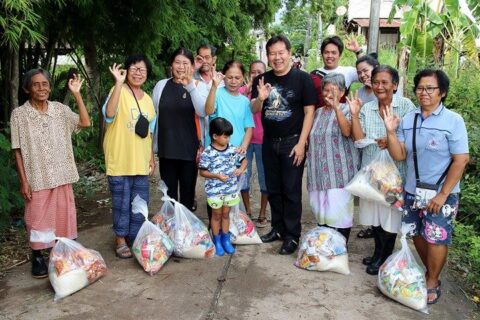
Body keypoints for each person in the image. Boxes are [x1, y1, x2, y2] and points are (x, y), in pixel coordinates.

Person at [383, 69, 469, 304]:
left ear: (442, 92)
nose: (424, 93)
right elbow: (399, 155)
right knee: (416, 234)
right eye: (420, 88)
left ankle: (432, 279)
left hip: (443, 193)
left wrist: (443, 195)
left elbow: (461, 159)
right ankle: (430, 272)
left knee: (436, 237)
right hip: (413, 189)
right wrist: (390, 132)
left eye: (430, 88)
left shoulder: (453, 121)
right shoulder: (409, 119)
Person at [11, 68, 90, 277]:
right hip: (37, 176)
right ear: (27, 89)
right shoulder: (19, 114)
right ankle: (38, 256)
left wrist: (77, 94)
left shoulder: (60, 110)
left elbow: (84, 122)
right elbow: (17, 150)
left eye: (44, 84)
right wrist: (23, 180)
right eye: (35, 84)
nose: (41, 88)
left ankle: (64, 252)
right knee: (37, 218)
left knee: (64, 215)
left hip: (62, 174)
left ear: (50, 87)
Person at [251, 35, 317, 255]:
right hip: (268, 143)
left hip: (292, 143)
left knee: (291, 191)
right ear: (267, 56)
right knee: (273, 189)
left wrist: (302, 143)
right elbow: (254, 109)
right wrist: (260, 98)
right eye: (272, 53)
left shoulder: (303, 79)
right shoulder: (261, 79)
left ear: (289, 53)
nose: (277, 57)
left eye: (281, 52)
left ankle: (292, 235)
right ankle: (277, 229)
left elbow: (309, 112)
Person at [350, 65, 416, 275]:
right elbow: (359, 139)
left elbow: (409, 140)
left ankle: (385, 257)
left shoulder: (406, 107)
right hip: (371, 174)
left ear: (395, 85)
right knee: (376, 217)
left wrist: (390, 140)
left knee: (390, 217)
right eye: (376, 82)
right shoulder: (368, 107)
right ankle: (379, 253)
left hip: (394, 175)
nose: (379, 87)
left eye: (384, 82)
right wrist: (354, 114)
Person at [103, 54, 156, 259]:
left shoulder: (149, 101)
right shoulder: (118, 91)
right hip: (119, 159)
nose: (138, 72)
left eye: (142, 69)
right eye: (133, 68)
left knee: (140, 202)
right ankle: (120, 239)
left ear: (147, 74)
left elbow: (150, 133)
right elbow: (109, 113)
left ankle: (135, 236)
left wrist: (151, 158)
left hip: (140, 160)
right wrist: (118, 83)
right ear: (126, 70)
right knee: (121, 202)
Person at [152, 48, 207, 211]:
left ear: (192, 66)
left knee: (188, 194)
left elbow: (203, 111)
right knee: (168, 196)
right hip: (166, 149)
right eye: (177, 62)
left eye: (185, 63)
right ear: (171, 64)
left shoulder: (199, 86)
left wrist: (190, 86)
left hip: (189, 150)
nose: (181, 67)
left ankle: (186, 231)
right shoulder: (161, 86)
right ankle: (171, 229)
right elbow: (154, 116)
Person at [307, 73, 359, 243]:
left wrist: (337, 108)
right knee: (321, 213)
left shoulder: (347, 109)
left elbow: (347, 132)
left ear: (342, 92)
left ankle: (339, 249)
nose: (328, 94)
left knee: (340, 214)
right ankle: (325, 248)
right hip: (318, 174)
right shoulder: (318, 112)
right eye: (325, 90)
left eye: (333, 91)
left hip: (339, 174)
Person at [199, 117, 247, 256]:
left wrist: (240, 169)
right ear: (214, 136)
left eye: (229, 136)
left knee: (226, 214)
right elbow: (202, 172)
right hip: (214, 191)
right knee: (216, 215)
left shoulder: (232, 149)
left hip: (230, 189)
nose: (228, 139)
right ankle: (217, 240)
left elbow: (244, 161)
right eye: (225, 136)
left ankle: (226, 239)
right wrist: (217, 176)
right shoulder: (208, 152)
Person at [239, 60, 269, 228]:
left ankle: (263, 212)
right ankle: (247, 210)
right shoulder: (243, 91)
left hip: (264, 141)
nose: (256, 74)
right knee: (244, 175)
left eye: (260, 71)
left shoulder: (269, 91)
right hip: (245, 141)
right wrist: (248, 91)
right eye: (253, 71)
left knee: (265, 179)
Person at [354, 53, 380, 239]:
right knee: (367, 190)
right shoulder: (361, 92)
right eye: (359, 72)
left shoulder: (386, 89)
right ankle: (371, 226)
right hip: (365, 147)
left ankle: (382, 231)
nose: (363, 75)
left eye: (366, 71)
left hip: (384, 148)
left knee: (383, 191)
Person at [205, 60, 254, 151]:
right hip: (215, 152)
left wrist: (244, 146)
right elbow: (208, 111)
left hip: (236, 151)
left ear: (243, 78)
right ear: (223, 77)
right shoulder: (216, 93)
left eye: (237, 77)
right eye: (230, 77)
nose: (233, 81)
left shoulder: (245, 101)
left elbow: (249, 127)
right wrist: (214, 87)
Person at [310, 35, 362, 107]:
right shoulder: (314, 75)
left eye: (334, 53)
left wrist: (357, 51)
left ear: (339, 55)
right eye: (326, 52)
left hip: (341, 115)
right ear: (322, 54)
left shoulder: (349, 71)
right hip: (320, 115)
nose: (330, 56)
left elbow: (368, 73)